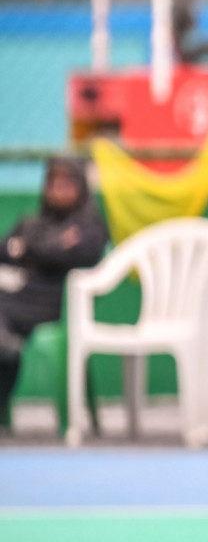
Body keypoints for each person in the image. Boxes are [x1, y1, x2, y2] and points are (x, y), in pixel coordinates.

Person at [0, 158, 108, 430]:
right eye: (53, 183)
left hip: (59, 305)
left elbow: (83, 255)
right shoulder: (32, 222)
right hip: (17, 300)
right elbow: (6, 251)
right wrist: (51, 246)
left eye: (67, 183)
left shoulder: (89, 226)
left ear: (80, 187)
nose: (59, 189)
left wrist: (29, 249)